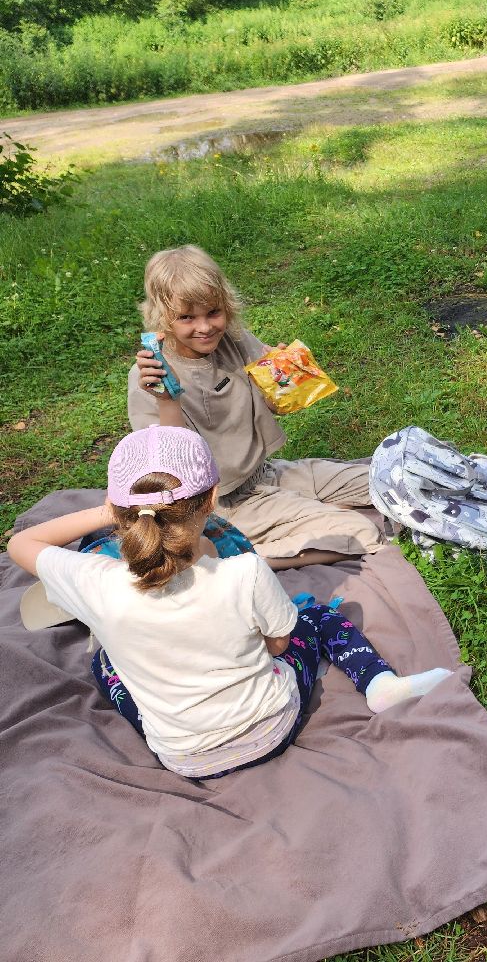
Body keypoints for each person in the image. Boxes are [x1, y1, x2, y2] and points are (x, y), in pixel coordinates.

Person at [8, 426, 451, 779]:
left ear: (118, 510)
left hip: (183, 757)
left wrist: (109, 512)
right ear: (213, 498)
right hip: (272, 727)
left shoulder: (92, 582)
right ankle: (378, 683)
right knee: (315, 615)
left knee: (105, 662)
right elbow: (278, 645)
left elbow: (22, 543)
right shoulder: (245, 572)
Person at [130, 244, 378, 570]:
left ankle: (303, 518)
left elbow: (275, 405)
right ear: (163, 317)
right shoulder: (151, 376)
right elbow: (173, 470)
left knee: (381, 479)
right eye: (187, 317)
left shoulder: (234, 340)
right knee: (360, 532)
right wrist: (167, 400)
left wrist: (283, 376)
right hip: (221, 504)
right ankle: (230, 557)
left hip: (265, 474)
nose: (204, 327)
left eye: (213, 312)